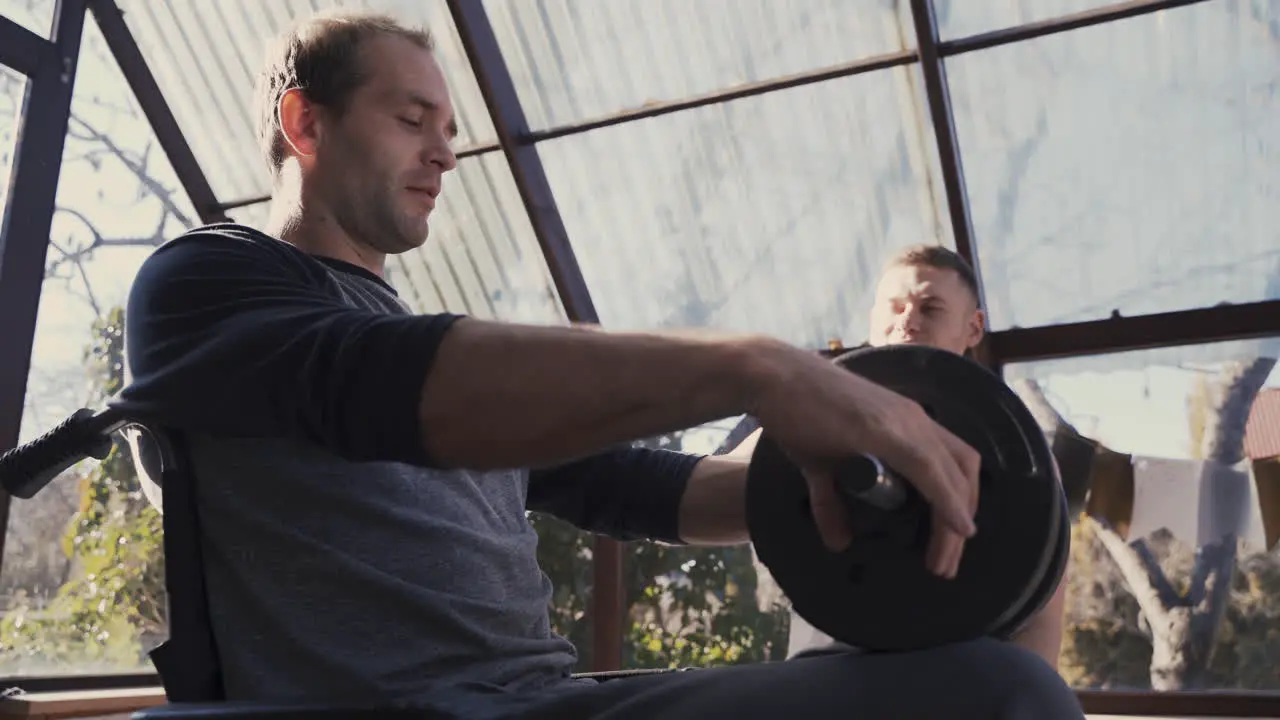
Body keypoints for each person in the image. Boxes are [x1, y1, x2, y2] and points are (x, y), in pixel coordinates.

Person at [116, 12, 1083, 720]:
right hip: (408, 708)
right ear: (305, 123)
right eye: (414, 119)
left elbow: (634, 484)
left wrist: (839, 477)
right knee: (998, 698)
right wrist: (760, 370)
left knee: (986, 682)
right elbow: (372, 382)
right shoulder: (208, 281)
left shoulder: (457, 373)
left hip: (540, 695)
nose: (446, 155)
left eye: (451, 131)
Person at [777, 245, 1070, 666]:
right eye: (894, 308)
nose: (907, 322)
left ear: (973, 328)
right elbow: (727, 481)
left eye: (930, 308)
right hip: (825, 676)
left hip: (953, 682)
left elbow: (1041, 623)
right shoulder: (807, 421)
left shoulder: (1024, 458)